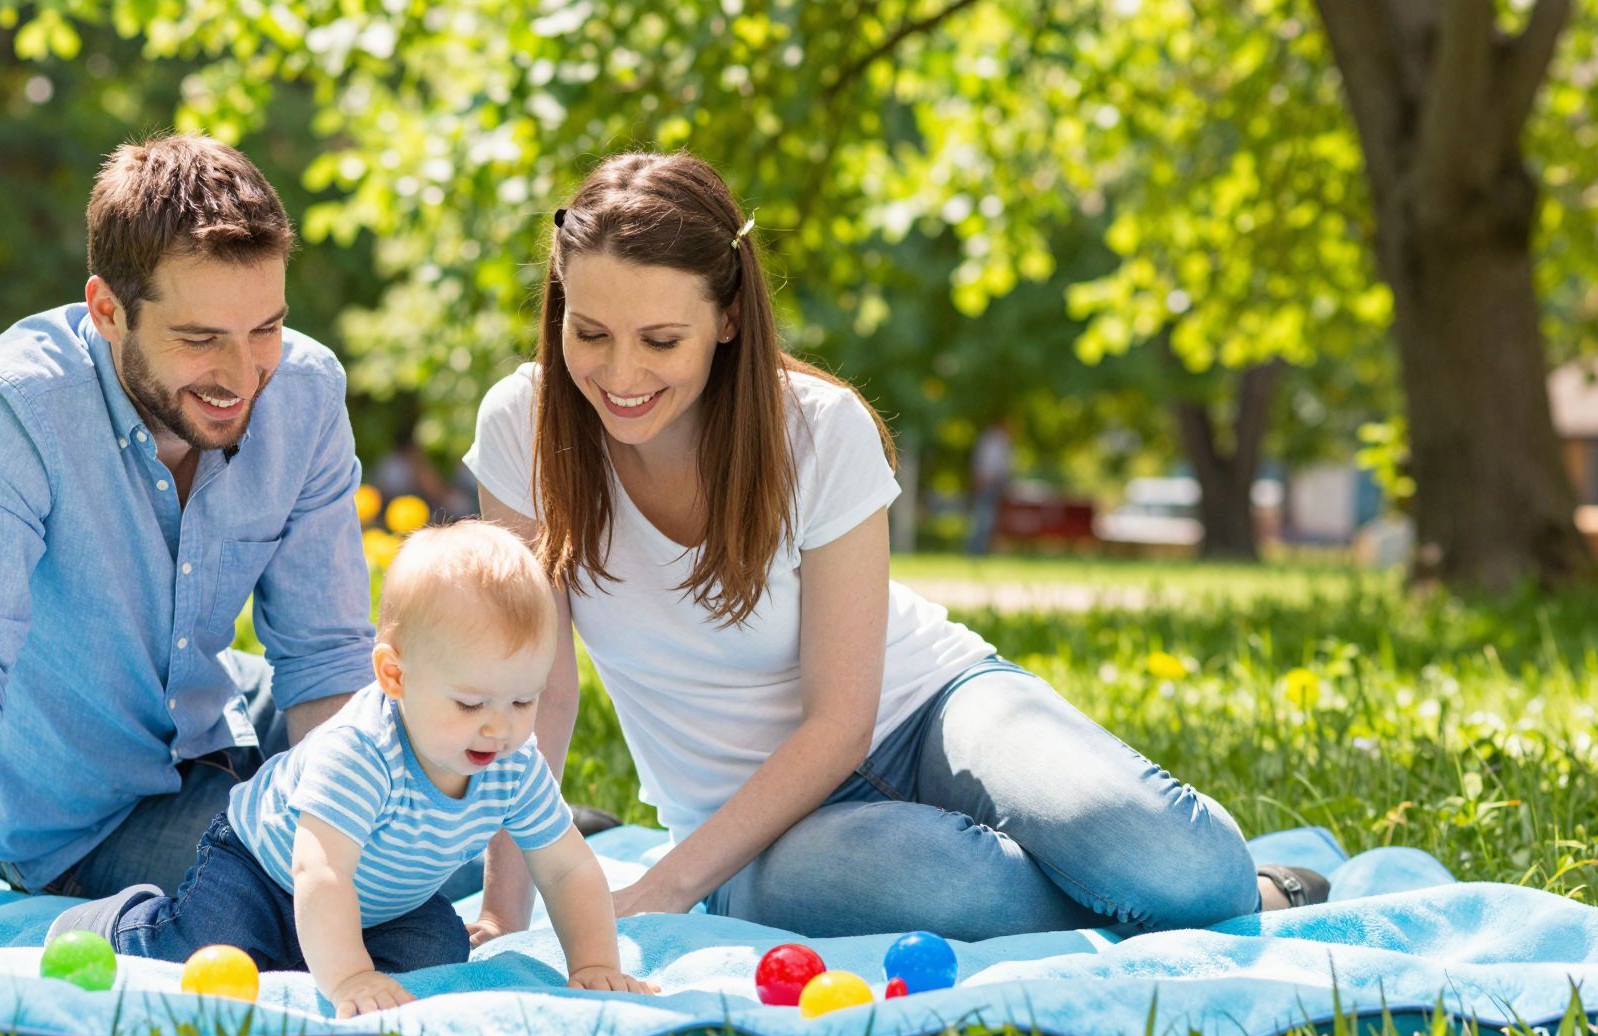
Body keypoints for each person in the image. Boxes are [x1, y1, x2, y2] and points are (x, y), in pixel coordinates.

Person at [460, 152, 1328, 947]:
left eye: (660, 341)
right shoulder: (523, 426)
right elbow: (533, 690)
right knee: (936, 879)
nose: (619, 374)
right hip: (755, 827)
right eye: (590, 332)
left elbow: (842, 724)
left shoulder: (819, 430)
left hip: (927, 710)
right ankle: (1139, 907)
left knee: (1185, 869)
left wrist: (662, 889)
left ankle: (1219, 891)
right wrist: (506, 909)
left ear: (727, 320)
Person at [0, 134, 378, 956]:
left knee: (436, 735)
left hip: (224, 724)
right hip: (84, 821)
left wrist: (362, 835)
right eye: (201, 338)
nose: (243, 374)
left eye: (265, 327)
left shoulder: (303, 390)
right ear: (106, 310)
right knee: (321, 892)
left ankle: (528, 840)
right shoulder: (5, 413)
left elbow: (325, 660)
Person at [51, 522, 654, 1015]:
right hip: (265, 870)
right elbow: (321, 872)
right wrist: (348, 980)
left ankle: (316, 950)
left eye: (524, 700)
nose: (499, 727)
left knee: (438, 951)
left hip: (384, 900)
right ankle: (127, 922)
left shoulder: (512, 762)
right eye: (471, 704)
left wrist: (596, 963)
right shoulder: (361, 752)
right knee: (209, 952)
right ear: (394, 675)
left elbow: (569, 867)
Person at [966, 416, 1014, 556]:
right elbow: (985, 468)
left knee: (989, 519)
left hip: (995, 485)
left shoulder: (1001, 442)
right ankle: (975, 550)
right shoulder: (991, 442)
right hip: (988, 485)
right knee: (984, 518)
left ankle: (982, 550)